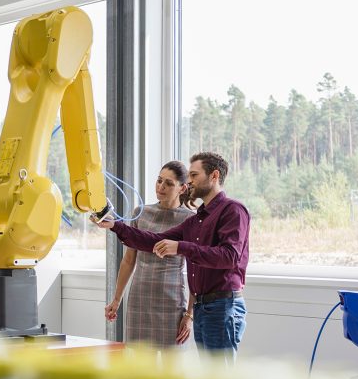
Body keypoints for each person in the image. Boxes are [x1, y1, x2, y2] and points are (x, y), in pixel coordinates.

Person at [94, 152, 250, 360]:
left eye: (194, 175)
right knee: (211, 378)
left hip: (222, 306)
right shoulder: (198, 220)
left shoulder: (233, 210)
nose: (190, 181)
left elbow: (229, 257)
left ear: (213, 176)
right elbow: (153, 240)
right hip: (204, 307)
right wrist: (115, 225)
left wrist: (181, 247)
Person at [105, 161, 195, 347]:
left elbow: (197, 270)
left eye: (169, 183)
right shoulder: (141, 213)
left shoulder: (190, 219)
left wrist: (189, 315)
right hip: (139, 298)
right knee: (138, 368)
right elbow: (129, 260)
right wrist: (116, 299)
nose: (161, 187)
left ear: (182, 188)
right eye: (159, 180)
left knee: (171, 372)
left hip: (171, 301)